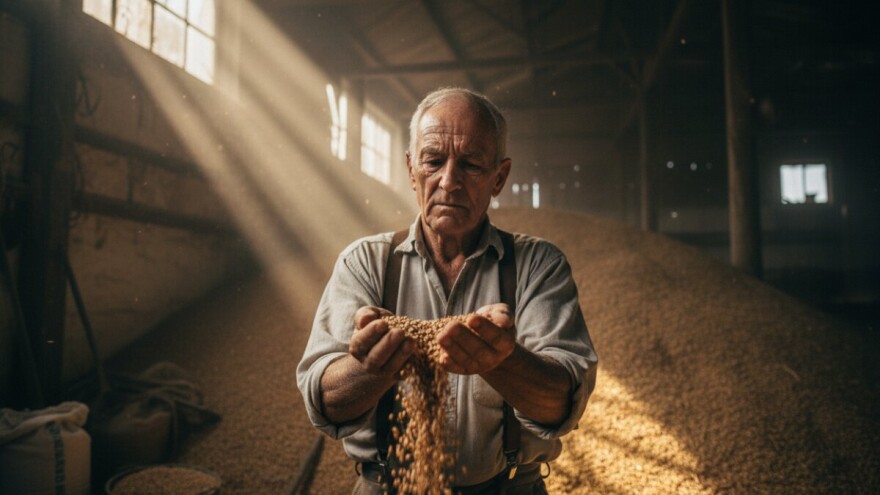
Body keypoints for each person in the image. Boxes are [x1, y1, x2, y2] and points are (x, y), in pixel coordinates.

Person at [297, 87, 597, 494]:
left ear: (499, 177)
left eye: (471, 164)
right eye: (433, 161)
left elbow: (563, 403)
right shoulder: (365, 262)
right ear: (410, 169)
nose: (449, 181)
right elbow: (325, 400)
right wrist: (368, 371)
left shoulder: (537, 265)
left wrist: (502, 360)